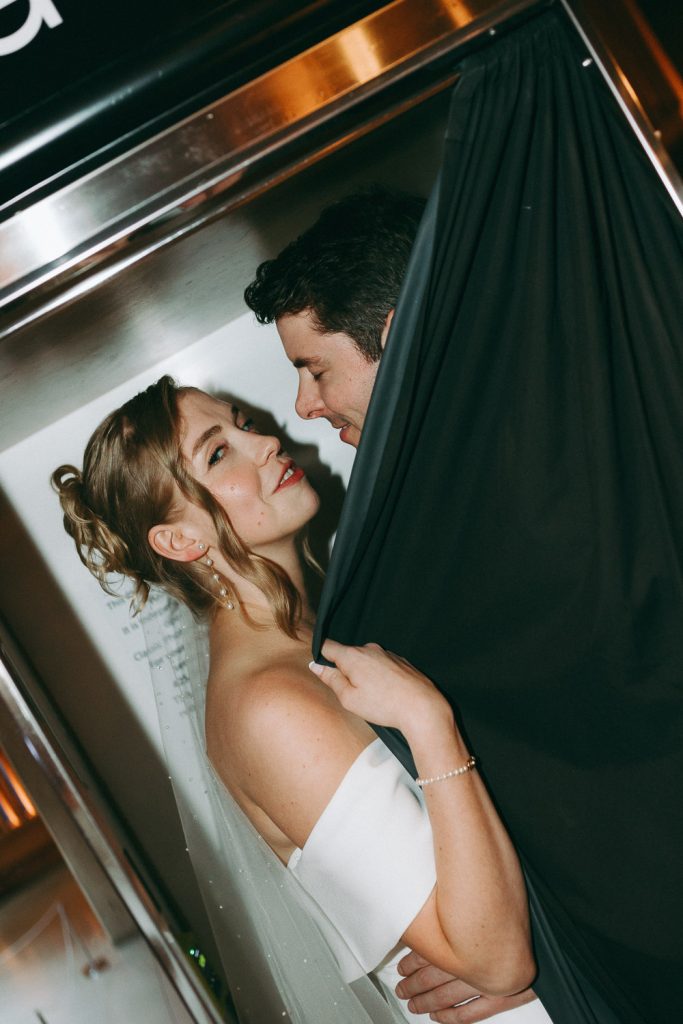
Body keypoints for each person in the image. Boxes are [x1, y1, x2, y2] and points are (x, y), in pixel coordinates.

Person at [52, 376, 550, 1024]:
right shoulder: (267, 709)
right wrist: (429, 721)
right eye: (217, 452)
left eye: (242, 424)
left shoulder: (323, 645)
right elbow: (493, 962)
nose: (263, 442)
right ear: (178, 540)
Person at [244, 188, 542, 1021]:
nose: (301, 409)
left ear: (396, 336)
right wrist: (497, 943)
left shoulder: (563, 451)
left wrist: (526, 947)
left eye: (313, 369)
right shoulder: (378, 556)